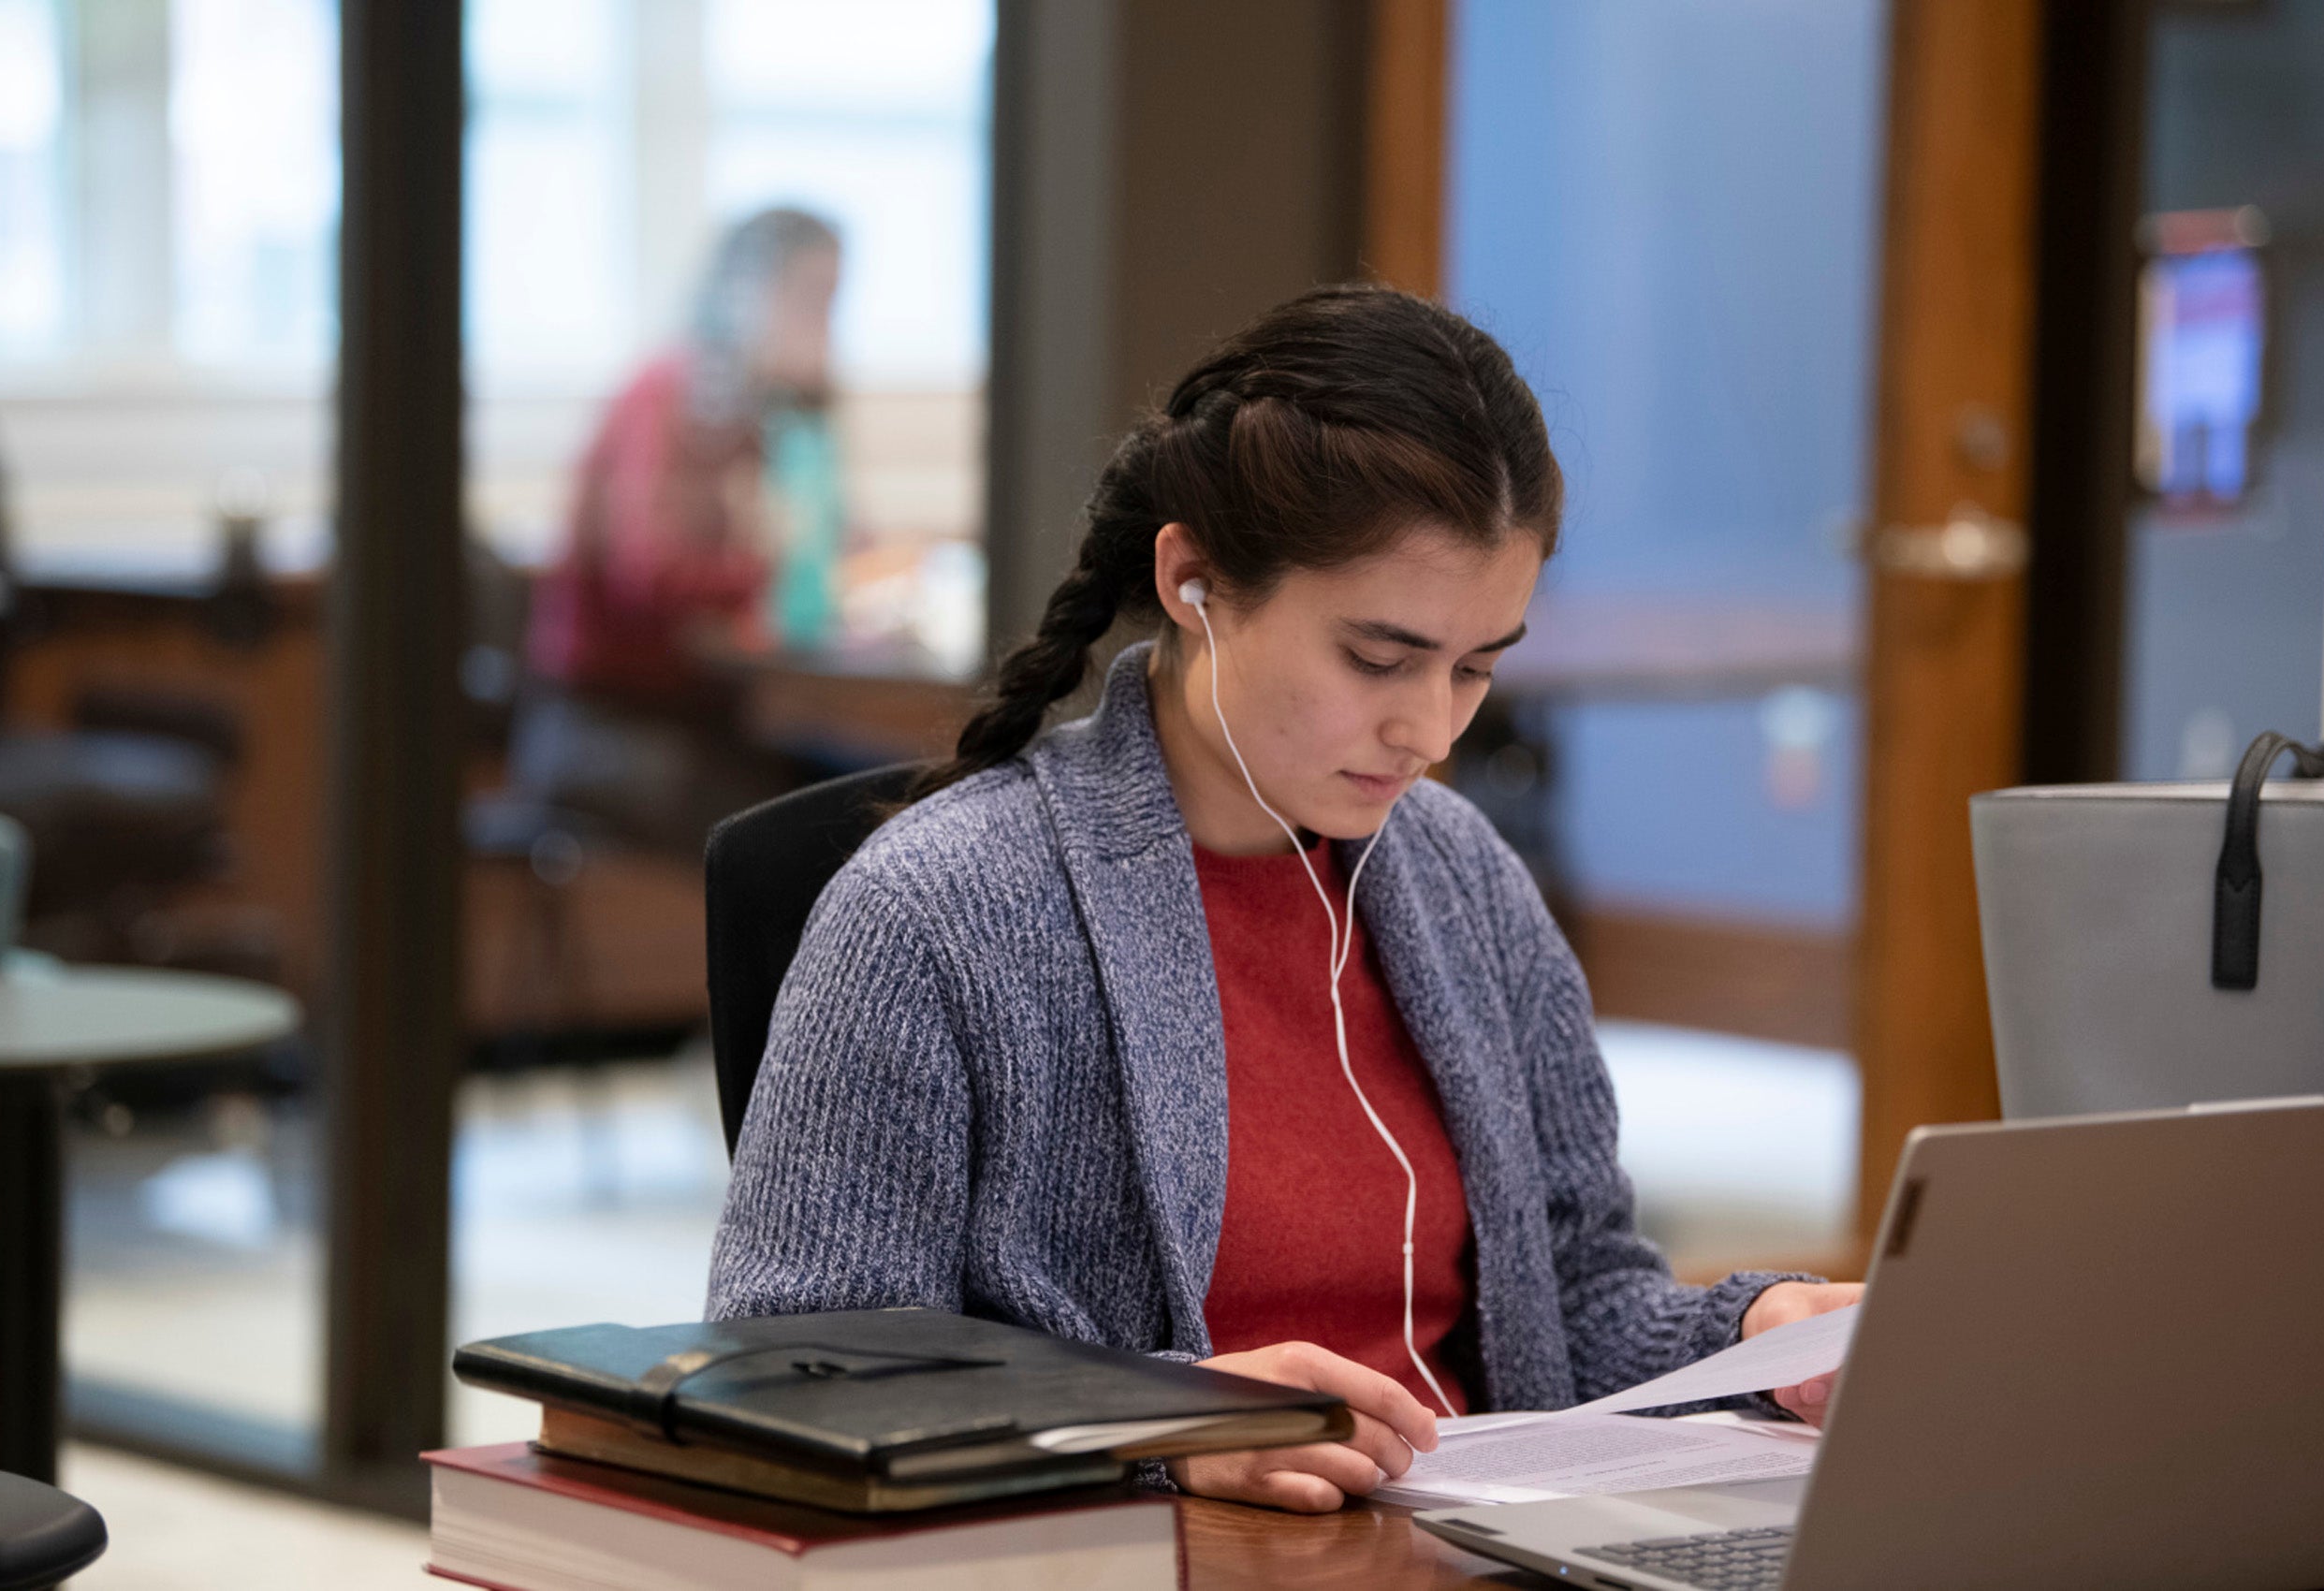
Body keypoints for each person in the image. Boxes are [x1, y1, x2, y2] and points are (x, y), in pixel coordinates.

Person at [706, 285, 1861, 1512]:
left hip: (1473, 1546)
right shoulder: (936, 913)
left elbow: (1573, 1307)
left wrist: (1755, 1333)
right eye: (1377, 657)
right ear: (1194, 582)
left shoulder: (1461, 880)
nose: (1426, 728)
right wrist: (1152, 1423)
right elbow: (798, 1370)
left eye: (1477, 668)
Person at [515, 207, 846, 856]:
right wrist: (766, 569)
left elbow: (823, 540)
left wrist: (809, 421)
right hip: (606, 730)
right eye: (807, 298)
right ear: (740, 291)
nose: (823, 324)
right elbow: (648, 571)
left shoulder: (757, 412)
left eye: (833, 303)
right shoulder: (665, 393)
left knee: (899, 796)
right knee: (821, 839)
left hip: (706, 720)